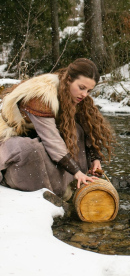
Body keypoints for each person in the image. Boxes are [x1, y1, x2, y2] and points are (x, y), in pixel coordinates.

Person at [0, 58, 114, 201]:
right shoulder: (42, 95)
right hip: (11, 136)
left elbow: (86, 128)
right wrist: (76, 171)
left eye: (89, 90)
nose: (85, 94)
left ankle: (68, 183)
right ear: (68, 79)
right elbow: (52, 140)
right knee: (32, 150)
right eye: (82, 87)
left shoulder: (72, 94)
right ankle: (12, 179)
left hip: (36, 133)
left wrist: (95, 158)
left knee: (76, 131)